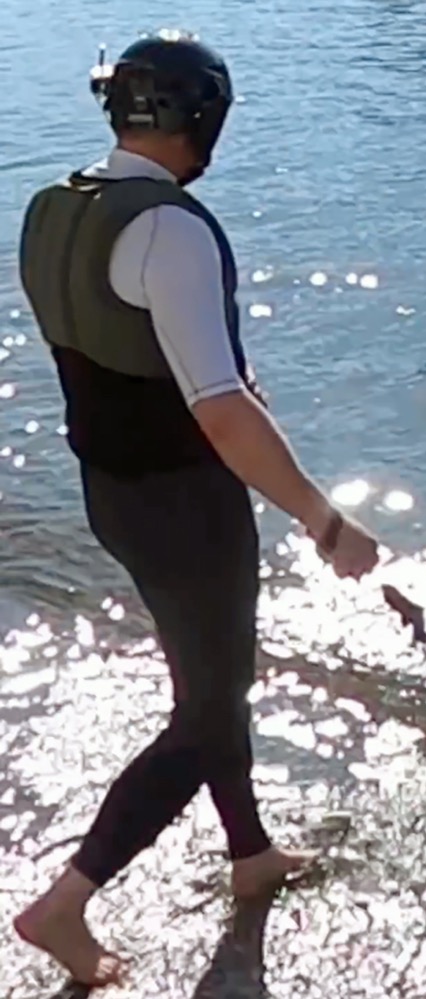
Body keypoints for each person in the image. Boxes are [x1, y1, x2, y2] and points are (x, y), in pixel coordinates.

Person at [11, 30, 382, 986]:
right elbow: (220, 409)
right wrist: (323, 518)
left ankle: (250, 851)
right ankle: (66, 902)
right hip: (186, 504)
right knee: (213, 706)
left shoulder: (54, 207)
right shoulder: (171, 228)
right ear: (199, 115)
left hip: (113, 497)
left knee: (208, 685)